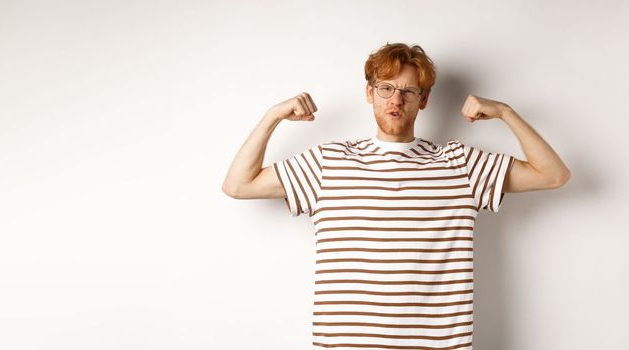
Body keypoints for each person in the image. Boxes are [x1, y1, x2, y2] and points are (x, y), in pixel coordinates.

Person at [221, 42, 570, 349]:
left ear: (424, 100)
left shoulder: (459, 162)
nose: (396, 100)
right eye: (386, 88)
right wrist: (273, 116)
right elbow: (239, 185)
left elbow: (553, 175)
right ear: (369, 92)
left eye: (409, 91)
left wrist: (506, 113)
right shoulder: (329, 161)